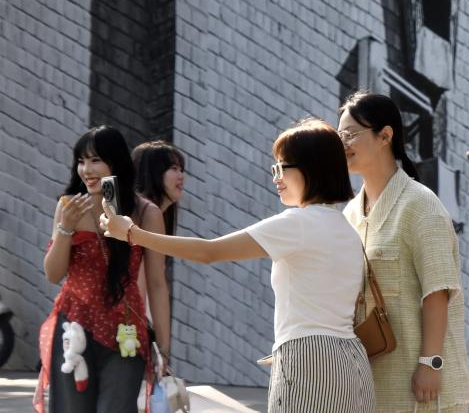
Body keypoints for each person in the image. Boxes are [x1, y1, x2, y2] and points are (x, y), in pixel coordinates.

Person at [101, 118, 375, 413]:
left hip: (308, 358)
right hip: (353, 360)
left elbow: (209, 251)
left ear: (311, 168)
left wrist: (133, 234)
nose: (276, 177)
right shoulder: (347, 228)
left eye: (282, 167)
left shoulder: (297, 223)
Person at [339, 91, 469, 412]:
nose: (343, 144)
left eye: (351, 134)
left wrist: (431, 363)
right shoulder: (351, 213)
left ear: (385, 136)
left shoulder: (420, 205)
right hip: (372, 381)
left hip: (422, 387)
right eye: (339, 135)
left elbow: (437, 292)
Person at [35, 126, 166, 413]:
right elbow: (53, 275)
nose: (86, 169)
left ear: (115, 162)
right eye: (81, 161)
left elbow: (157, 283)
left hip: (126, 329)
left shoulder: (146, 212)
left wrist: (164, 348)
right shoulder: (69, 206)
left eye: (95, 160)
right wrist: (65, 228)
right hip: (74, 327)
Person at [132, 140, 187, 362]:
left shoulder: (151, 215)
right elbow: (150, 282)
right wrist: (162, 349)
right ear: (153, 172)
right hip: (127, 328)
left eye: (181, 169)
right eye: (173, 168)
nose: (181, 176)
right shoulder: (141, 215)